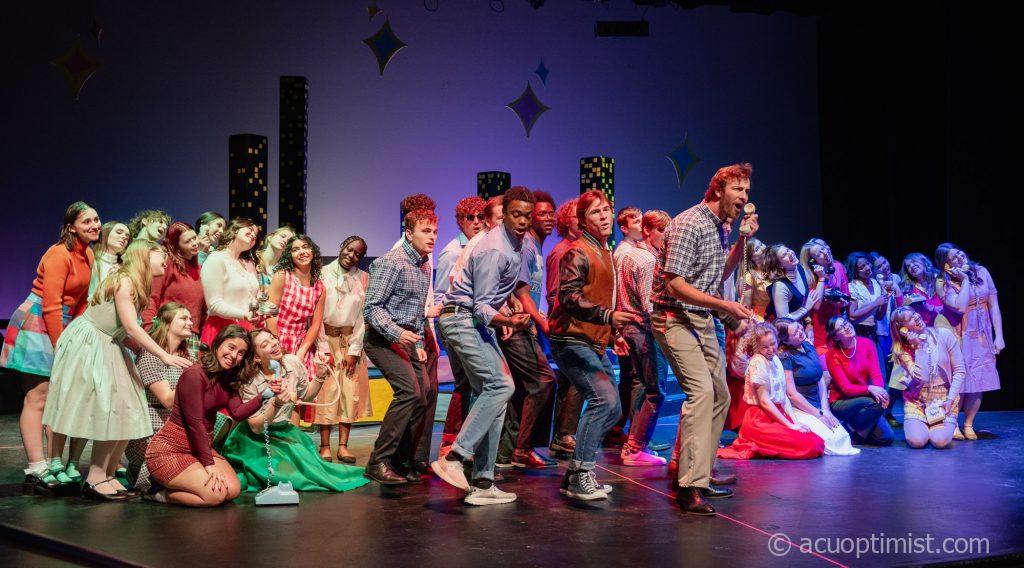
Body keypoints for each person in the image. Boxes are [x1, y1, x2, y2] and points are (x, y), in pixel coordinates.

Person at [43, 239, 193, 500]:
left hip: (110, 342)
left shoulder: (136, 285)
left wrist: (139, 350)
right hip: (91, 343)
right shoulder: (124, 281)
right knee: (111, 407)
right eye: (160, 255)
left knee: (128, 407)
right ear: (145, 256)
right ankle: (95, 477)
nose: (166, 260)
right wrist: (162, 355)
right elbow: (131, 327)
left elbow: (122, 329)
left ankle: (107, 473)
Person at [651, 163, 757, 515]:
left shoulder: (721, 226)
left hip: (701, 317)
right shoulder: (690, 223)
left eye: (746, 191)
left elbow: (718, 274)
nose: (743, 196)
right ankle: (688, 485)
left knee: (721, 395)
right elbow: (675, 284)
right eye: (737, 189)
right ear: (717, 190)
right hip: (674, 316)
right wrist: (724, 306)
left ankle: (702, 472)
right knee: (701, 392)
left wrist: (741, 240)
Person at [430, 187, 535, 506]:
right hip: (462, 320)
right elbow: (481, 306)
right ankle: (455, 457)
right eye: (515, 215)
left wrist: (508, 308)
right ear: (504, 215)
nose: (522, 221)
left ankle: (483, 482)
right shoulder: (495, 249)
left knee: (495, 396)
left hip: (472, 321)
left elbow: (492, 297)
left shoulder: (515, 245)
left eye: (526, 216)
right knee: (501, 386)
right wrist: (510, 321)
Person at [2, 202, 100, 493]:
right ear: (71, 227)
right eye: (86, 221)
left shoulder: (88, 254)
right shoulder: (59, 253)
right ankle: (36, 466)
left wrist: (77, 335)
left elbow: (82, 301)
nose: (94, 225)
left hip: (63, 323)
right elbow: (51, 304)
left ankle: (53, 463)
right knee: (39, 397)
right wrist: (61, 345)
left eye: (96, 219)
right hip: (39, 322)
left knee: (58, 397)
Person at [549, 190, 639, 499]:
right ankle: (580, 473)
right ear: (583, 220)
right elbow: (568, 297)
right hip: (571, 338)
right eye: (595, 212)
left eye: (606, 210)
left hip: (593, 339)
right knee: (604, 401)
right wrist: (607, 317)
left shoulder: (604, 251)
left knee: (613, 408)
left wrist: (613, 336)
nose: (603, 216)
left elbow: (601, 297)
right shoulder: (577, 252)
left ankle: (575, 474)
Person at [221, 329, 369, 492]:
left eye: (272, 338)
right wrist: (276, 404)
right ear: (256, 357)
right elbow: (256, 427)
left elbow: (306, 395)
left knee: (311, 469)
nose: (274, 344)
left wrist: (320, 374)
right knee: (282, 475)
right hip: (254, 439)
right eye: (265, 344)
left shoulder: (292, 362)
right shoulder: (249, 381)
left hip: (284, 432)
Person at [144, 326, 275, 506]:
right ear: (218, 344)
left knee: (233, 490)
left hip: (199, 447)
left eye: (241, 353)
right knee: (215, 495)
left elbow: (238, 412)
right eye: (231, 347)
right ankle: (158, 493)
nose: (234, 356)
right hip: (170, 449)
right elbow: (195, 423)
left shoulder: (228, 378)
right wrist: (209, 464)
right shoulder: (194, 374)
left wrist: (266, 394)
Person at [362, 209, 436, 485]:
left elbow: (415, 312)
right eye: (425, 231)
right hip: (382, 339)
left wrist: (417, 341)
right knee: (409, 391)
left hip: (407, 341)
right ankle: (378, 461)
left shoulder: (424, 265)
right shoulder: (391, 262)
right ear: (409, 233)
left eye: (434, 232)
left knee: (423, 394)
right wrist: (398, 333)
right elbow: (371, 308)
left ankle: (400, 459)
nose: (432, 237)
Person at [437, 195, 503, 460]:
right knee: (465, 384)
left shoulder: (485, 245)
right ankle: (450, 442)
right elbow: (443, 294)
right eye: (470, 217)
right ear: (459, 221)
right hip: (457, 321)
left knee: (476, 385)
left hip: (474, 321)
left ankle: (467, 445)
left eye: (480, 217)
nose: (476, 222)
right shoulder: (453, 251)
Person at [497, 190, 558, 469]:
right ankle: (523, 449)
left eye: (550, 214)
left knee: (524, 388)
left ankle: (510, 451)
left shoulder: (534, 247)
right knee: (543, 381)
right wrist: (540, 321)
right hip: (516, 324)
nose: (547, 218)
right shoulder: (527, 247)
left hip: (524, 322)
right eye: (541, 214)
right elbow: (520, 290)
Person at [613, 209, 671, 466]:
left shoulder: (635, 255)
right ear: (647, 231)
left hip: (633, 328)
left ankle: (634, 444)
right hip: (645, 330)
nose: (665, 236)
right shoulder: (646, 260)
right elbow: (650, 306)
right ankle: (635, 448)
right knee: (655, 391)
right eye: (661, 231)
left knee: (647, 388)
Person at [717, 323, 824, 460]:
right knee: (808, 446)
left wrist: (795, 422)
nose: (771, 349)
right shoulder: (758, 363)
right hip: (759, 420)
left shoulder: (776, 359)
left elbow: (783, 396)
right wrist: (790, 426)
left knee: (815, 440)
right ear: (757, 347)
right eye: (764, 347)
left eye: (773, 344)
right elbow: (765, 402)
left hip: (776, 414)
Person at [391, 194, 443, 474]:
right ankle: (402, 456)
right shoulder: (399, 253)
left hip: (424, 329)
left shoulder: (426, 252)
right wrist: (425, 319)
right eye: (421, 216)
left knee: (429, 394)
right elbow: (399, 302)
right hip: (408, 331)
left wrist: (430, 331)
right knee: (416, 394)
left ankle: (418, 456)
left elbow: (426, 293)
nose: (430, 228)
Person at [934, 243, 1003, 440]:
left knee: (978, 379)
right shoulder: (942, 281)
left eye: (959, 253)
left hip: (982, 333)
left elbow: (994, 306)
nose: (959, 258)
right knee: (960, 379)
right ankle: (952, 422)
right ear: (945, 264)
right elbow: (960, 306)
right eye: (953, 258)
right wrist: (964, 280)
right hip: (959, 332)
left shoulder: (981, 271)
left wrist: (999, 336)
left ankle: (969, 423)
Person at [126, 302, 195, 491]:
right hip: (151, 429)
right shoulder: (150, 355)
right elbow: (166, 400)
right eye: (184, 318)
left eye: (190, 318)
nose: (190, 322)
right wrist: (194, 380)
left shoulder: (185, 356)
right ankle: (148, 480)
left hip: (174, 424)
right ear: (167, 322)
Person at [315, 236, 371, 463]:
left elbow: (363, 317)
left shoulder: (363, 278)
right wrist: (322, 346)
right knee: (327, 391)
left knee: (349, 390)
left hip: (350, 340)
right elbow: (316, 313)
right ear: (341, 247)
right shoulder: (321, 274)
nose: (352, 255)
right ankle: (324, 445)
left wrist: (354, 350)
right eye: (349, 249)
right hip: (326, 338)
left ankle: (343, 446)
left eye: (358, 254)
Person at [774, 318, 859, 455]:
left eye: (799, 327)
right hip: (800, 409)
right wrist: (818, 414)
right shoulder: (785, 357)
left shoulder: (808, 346)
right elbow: (792, 394)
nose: (801, 332)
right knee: (830, 441)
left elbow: (820, 379)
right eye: (795, 333)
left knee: (842, 437)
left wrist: (825, 410)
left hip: (818, 405)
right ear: (786, 341)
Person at [888, 307, 964, 449]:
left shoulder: (943, 334)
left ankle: (945, 426)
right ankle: (925, 425)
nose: (916, 317)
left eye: (914, 313)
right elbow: (921, 378)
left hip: (942, 398)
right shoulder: (903, 350)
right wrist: (918, 347)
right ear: (902, 328)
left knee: (939, 441)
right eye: (910, 318)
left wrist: (950, 399)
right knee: (917, 441)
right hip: (917, 399)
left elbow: (960, 370)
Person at [544, 197, 584, 457]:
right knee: (577, 379)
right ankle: (564, 434)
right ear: (567, 222)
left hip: (574, 324)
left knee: (571, 381)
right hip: (567, 326)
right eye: (577, 217)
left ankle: (562, 435)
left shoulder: (577, 248)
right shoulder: (562, 252)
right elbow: (553, 294)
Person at [824, 316, 894, 446]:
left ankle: (856, 432)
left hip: (864, 397)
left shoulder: (867, 343)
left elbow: (876, 374)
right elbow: (846, 388)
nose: (846, 327)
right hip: (842, 401)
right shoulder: (832, 354)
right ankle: (850, 429)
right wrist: (870, 389)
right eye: (841, 328)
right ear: (836, 337)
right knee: (876, 404)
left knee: (887, 437)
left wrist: (880, 392)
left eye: (846, 323)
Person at [141, 221, 205, 357]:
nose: (194, 243)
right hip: (167, 332)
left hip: (191, 335)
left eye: (194, 238)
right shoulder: (168, 264)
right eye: (187, 241)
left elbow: (202, 308)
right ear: (177, 246)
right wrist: (149, 329)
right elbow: (152, 297)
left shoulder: (199, 269)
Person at [265, 234, 325, 377]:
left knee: (304, 385)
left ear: (312, 251)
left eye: (305, 247)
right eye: (295, 249)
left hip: (302, 343)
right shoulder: (282, 276)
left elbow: (315, 324)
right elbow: (270, 313)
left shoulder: (320, 287)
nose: (302, 252)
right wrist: (277, 344)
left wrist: (302, 351)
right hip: (277, 339)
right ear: (290, 255)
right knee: (278, 384)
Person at [199, 218, 260, 344]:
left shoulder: (249, 264)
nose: (253, 234)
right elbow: (214, 304)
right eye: (249, 229)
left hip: (247, 330)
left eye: (256, 234)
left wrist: (259, 311)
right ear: (234, 230)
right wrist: (244, 315)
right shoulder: (216, 259)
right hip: (222, 330)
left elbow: (254, 296)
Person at [800, 239, 850, 353]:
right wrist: (821, 278)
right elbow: (816, 305)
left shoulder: (838, 267)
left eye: (823, 248)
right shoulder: (809, 277)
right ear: (812, 261)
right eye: (819, 254)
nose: (825, 252)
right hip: (820, 327)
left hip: (837, 324)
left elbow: (846, 296)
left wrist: (841, 303)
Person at [846, 251, 891, 376]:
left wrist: (886, 298)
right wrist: (876, 303)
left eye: (867, 264)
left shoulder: (875, 283)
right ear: (856, 271)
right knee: (865, 373)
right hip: (859, 333)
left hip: (873, 332)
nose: (867, 268)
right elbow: (852, 314)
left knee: (880, 372)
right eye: (861, 267)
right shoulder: (853, 286)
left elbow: (879, 316)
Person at [762, 244, 823, 323]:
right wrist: (805, 308)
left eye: (788, 250)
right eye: (784, 255)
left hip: (799, 325)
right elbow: (783, 321)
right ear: (779, 265)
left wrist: (808, 322)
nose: (790, 253)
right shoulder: (780, 286)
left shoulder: (800, 268)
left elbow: (812, 303)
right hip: (786, 329)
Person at [899, 253, 944, 326]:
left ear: (923, 261)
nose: (912, 266)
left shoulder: (940, 278)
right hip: (926, 328)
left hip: (948, 323)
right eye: (908, 266)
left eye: (914, 262)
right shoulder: (909, 289)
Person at [88, 221, 130, 295]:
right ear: (105, 234)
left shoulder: (126, 266)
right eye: (119, 232)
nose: (124, 237)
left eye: (127, 237)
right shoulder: (91, 261)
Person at [737, 237, 771, 318]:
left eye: (761, 244)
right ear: (751, 257)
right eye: (757, 249)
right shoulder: (748, 277)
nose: (763, 248)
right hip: (762, 319)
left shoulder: (771, 268)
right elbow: (746, 310)